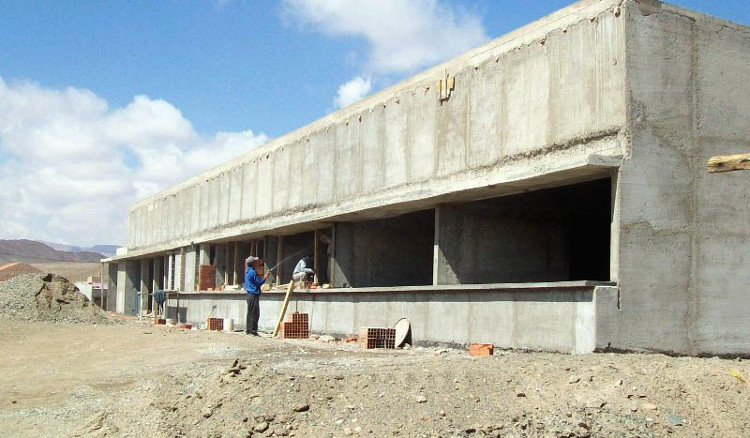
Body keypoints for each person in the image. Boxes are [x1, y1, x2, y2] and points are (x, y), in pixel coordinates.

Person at [245, 256, 270, 336]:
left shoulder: (248, 271)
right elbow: (259, 282)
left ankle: (249, 330)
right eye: (256, 261)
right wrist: (265, 277)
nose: (257, 262)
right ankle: (253, 331)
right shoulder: (253, 272)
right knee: (255, 313)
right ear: (253, 263)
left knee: (250, 313)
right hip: (253, 295)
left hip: (249, 295)